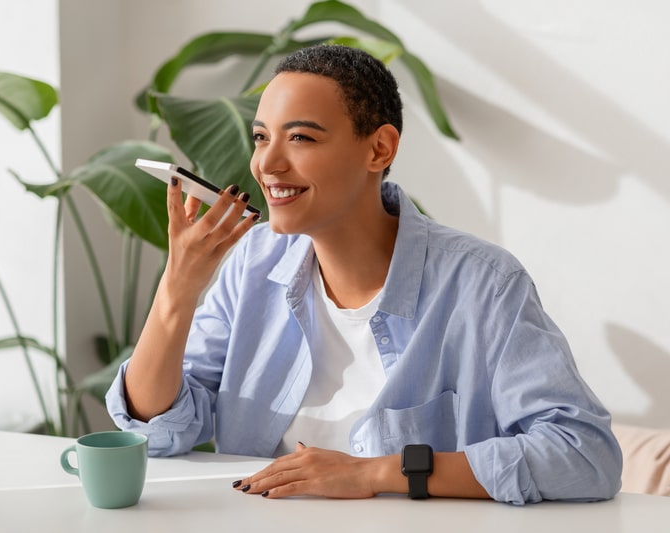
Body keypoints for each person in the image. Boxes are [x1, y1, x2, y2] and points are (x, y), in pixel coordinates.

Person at [106, 44, 622, 505]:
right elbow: (160, 433)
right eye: (261, 138)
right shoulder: (252, 263)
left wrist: (376, 473)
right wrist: (176, 290)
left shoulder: (482, 283)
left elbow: (585, 454)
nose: (268, 164)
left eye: (301, 137)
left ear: (379, 149)